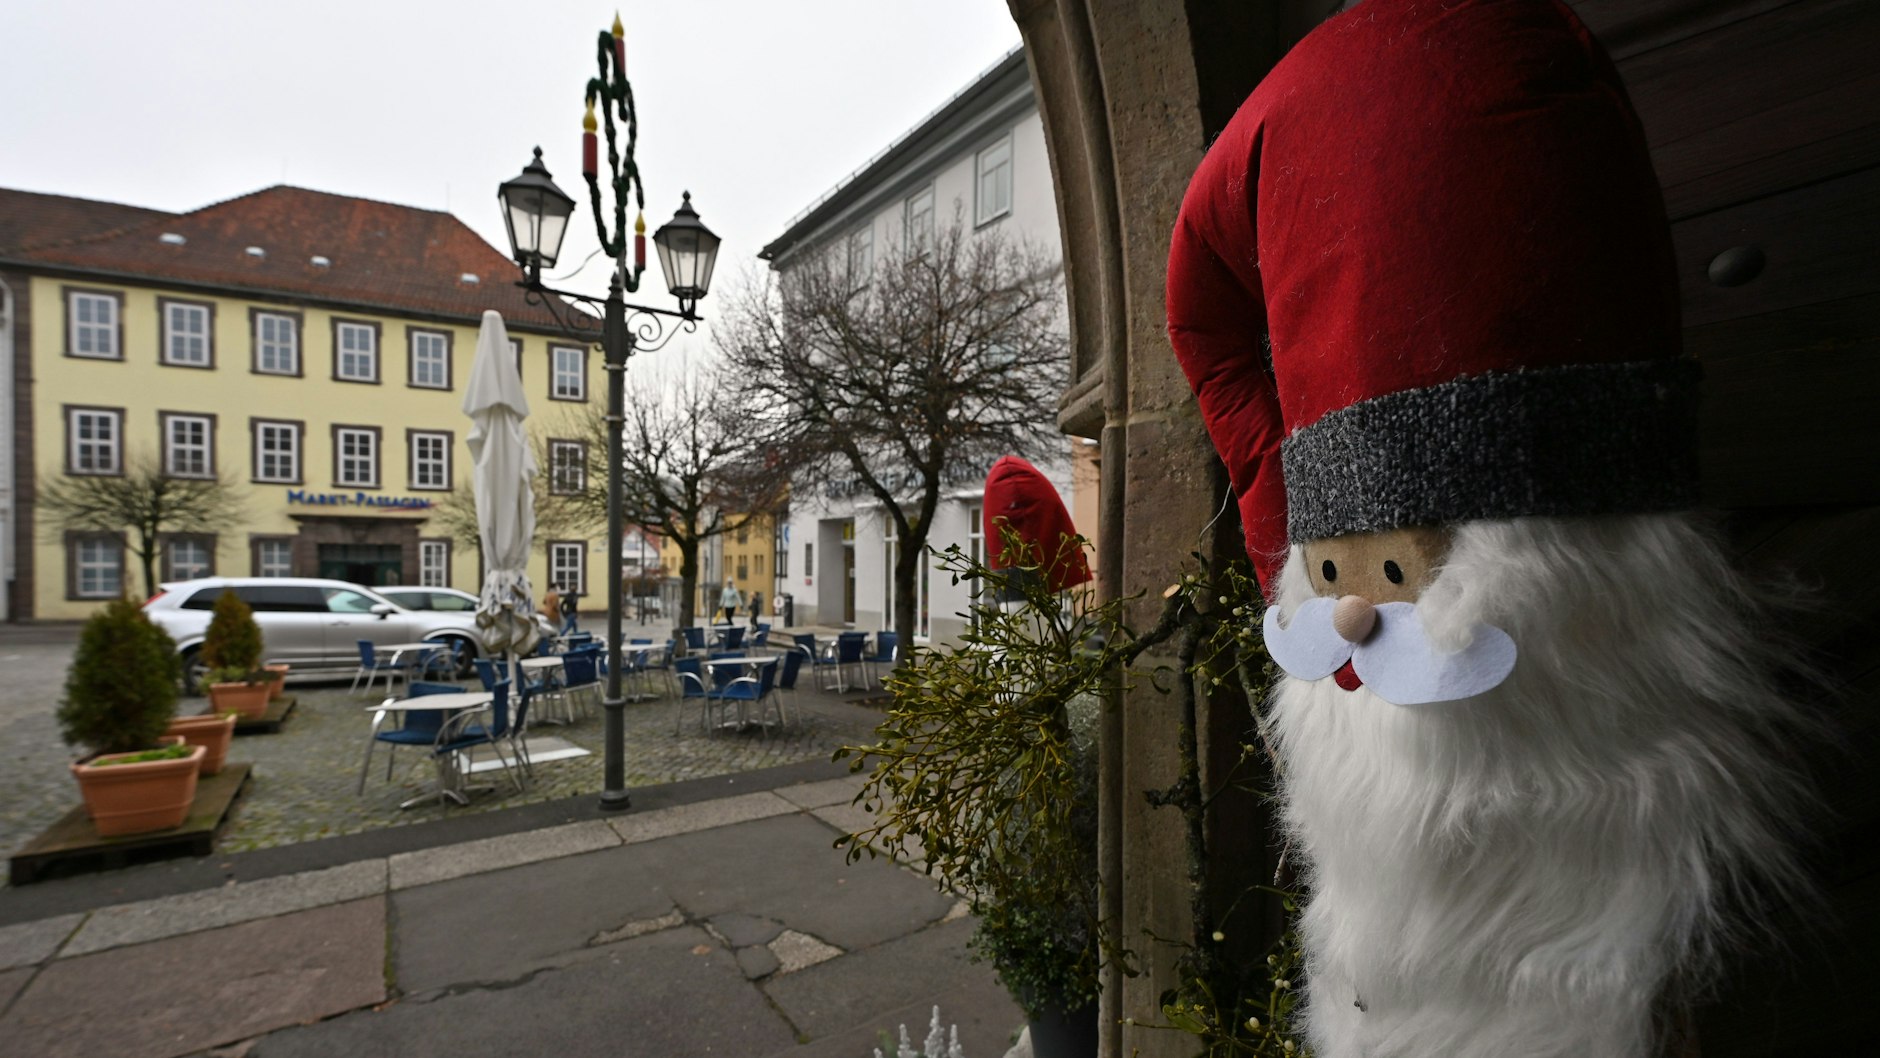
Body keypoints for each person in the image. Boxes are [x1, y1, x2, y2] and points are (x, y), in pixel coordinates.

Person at [1165, 3, 1816, 1056]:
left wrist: (1277, 525)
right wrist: (1284, 522)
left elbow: (1198, 315)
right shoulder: (1519, 41)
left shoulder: (1459, 56)